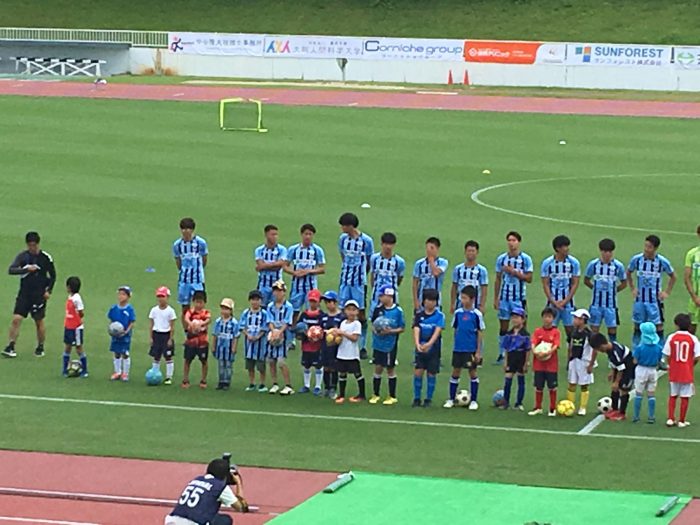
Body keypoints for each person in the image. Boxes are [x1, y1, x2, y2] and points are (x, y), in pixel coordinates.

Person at [3, 231, 56, 358]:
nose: (32, 248)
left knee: (38, 321)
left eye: (34, 245)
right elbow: (11, 270)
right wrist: (26, 269)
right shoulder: (23, 257)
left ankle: (40, 346)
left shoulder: (45, 258)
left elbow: (53, 276)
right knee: (16, 319)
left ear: (38, 244)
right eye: (30, 245)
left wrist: (48, 290)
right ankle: (11, 346)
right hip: (24, 293)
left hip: (38, 295)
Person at [626, 234, 676, 347]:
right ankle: (636, 349)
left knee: (658, 325)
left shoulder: (661, 261)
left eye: (649, 247)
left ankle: (660, 350)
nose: (646, 249)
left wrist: (666, 292)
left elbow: (673, 276)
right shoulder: (637, 259)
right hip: (640, 299)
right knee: (638, 325)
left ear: (655, 248)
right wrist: (633, 288)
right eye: (645, 246)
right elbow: (628, 272)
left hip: (655, 301)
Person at [165, 458, 247, 525]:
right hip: (192, 523)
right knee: (225, 520)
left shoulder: (197, 479)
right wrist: (238, 482)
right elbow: (242, 508)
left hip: (171, 521)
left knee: (214, 517)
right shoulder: (220, 486)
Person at [337, 212, 374, 359]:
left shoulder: (366, 241)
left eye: (344, 226)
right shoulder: (342, 239)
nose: (342, 228)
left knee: (360, 313)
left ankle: (362, 345)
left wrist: (362, 274)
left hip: (359, 283)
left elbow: (370, 260)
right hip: (345, 281)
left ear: (350, 226)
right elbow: (342, 255)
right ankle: (342, 339)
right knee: (343, 310)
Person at [494, 231, 533, 364]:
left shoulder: (525, 259)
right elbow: (498, 279)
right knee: (503, 327)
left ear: (519, 242)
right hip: (504, 298)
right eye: (509, 240)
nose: (511, 243)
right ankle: (502, 354)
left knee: (521, 326)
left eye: (514, 240)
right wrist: (496, 298)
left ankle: (523, 354)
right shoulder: (501, 259)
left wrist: (514, 272)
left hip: (518, 298)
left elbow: (529, 278)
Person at [444, 286, 484, 410]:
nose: (462, 300)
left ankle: (474, 400)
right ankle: (451, 399)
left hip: (470, 349)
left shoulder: (476, 314)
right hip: (458, 348)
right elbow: (456, 329)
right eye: (461, 297)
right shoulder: (458, 313)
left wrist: (478, 351)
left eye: (465, 298)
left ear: (472, 299)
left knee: (472, 372)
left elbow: (480, 333)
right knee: (455, 371)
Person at [584, 238, 627, 342]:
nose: (607, 254)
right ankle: (593, 351)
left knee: (612, 329)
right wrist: (595, 289)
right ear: (601, 251)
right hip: (596, 304)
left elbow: (624, 283)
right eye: (605, 251)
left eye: (610, 252)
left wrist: (613, 291)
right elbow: (586, 280)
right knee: (594, 329)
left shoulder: (618, 266)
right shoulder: (594, 265)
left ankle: (613, 350)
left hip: (611, 305)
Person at [369, 285, 405, 405]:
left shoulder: (398, 311)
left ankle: (392, 395)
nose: (380, 298)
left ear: (389, 296)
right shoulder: (377, 309)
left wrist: (390, 331)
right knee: (378, 367)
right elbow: (373, 324)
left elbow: (402, 328)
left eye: (382, 295)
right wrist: (376, 331)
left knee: (390, 369)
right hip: (378, 344)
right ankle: (376, 394)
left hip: (390, 345)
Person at [663, 313, 700, 428]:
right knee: (685, 396)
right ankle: (682, 420)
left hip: (674, 371)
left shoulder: (671, 337)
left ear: (676, 325)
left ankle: (670, 418)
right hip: (686, 372)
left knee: (673, 395)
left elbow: (667, 354)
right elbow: (697, 356)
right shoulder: (693, 339)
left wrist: (671, 364)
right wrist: (690, 365)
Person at [540, 235, 580, 341]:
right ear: (557, 248)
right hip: (552, 304)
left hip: (568, 304)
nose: (567, 249)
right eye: (564, 246)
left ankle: (571, 351)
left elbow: (575, 283)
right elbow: (545, 284)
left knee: (571, 332)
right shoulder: (547, 263)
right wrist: (553, 301)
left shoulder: (574, 263)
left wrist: (565, 301)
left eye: (567, 246)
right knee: (549, 331)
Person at [284, 224, 325, 324]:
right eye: (306, 234)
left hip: (311, 287)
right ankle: (292, 331)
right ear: (301, 234)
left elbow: (322, 269)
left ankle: (311, 330)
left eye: (310, 234)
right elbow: (285, 266)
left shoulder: (317, 250)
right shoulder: (293, 249)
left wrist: (308, 271)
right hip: (296, 287)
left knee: (312, 310)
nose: (308, 236)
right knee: (294, 311)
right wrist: (294, 272)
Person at [590, 333, 636, 421]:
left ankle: (622, 413)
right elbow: (614, 362)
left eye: (600, 349)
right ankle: (614, 410)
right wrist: (612, 372)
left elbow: (621, 368)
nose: (600, 351)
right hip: (619, 368)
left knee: (623, 389)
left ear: (602, 344)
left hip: (628, 369)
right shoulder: (609, 349)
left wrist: (617, 382)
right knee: (614, 388)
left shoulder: (615, 352)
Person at [411, 289, 445, 408]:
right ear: (424, 301)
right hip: (421, 349)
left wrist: (429, 344)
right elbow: (416, 329)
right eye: (428, 300)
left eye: (433, 301)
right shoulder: (419, 315)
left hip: (434, 350)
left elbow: (437, 331)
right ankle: (417, 398)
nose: (430, 303)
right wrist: (417, 344)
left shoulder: (439, 316)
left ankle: (428, 399)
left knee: (431, 374)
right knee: (418, 372)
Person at [173, 218, 208, 330]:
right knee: (185, 307)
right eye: (183, 229)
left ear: (192, 230)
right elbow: (178, 262)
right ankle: (187, 332)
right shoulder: (177, 245)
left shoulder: (200, 243)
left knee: (199, 306)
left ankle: (200, 330)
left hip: (198, 280)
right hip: (184, 281)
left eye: (188, 228)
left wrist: (198, 271)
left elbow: (204, 259)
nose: (185, 231)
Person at [332, 300, 366, 404]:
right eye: (349, 309)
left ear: (357, 312)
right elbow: (340, 337)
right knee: (342, 374)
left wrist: (342, 333)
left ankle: (362, 395)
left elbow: (354, 338)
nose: (351, 312)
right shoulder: (343, 323)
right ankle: (341, 395)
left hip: (352, 354)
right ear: (345, 311)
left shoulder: (357, 324)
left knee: (357, 374)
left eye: (353, 310)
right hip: (342, 353)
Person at [529, 307, 561, 416]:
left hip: (551, 365)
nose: (547, 319)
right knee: (539, 386)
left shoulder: (556, 332)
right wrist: (535, 352)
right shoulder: (538, 331)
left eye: (550, 317)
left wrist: (547, 353)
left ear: (553, 318)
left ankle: (552, 408)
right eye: (545, 317)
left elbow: (555, 346)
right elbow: (533, 343)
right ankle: (538, 407)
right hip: (539, 365)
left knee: (552, 387)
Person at [266, 280, 294, 395]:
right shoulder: (270, 306)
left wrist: (280, 332)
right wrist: (273, 331)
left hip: (284, 336)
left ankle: (288, 385)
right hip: (273, 335)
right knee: (271, 360)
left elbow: (287, 322)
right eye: (275, 291)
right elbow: (269, 320)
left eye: (279, 291)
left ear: (284, 292)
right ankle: (275, 383)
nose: (277, 293)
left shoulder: (288, 307)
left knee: (281, 362)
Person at [368, 232, 406, 317]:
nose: (388, 247)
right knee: (375, 319)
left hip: (392, 296)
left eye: (390, 244)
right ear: (382, 244)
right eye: (386, 244)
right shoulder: (374, 258)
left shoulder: (399, 261)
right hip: (376, 295)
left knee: (391, 319)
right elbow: (372, 275)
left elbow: (399, 278)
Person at [566, 309, 596, 416]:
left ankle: (583, 407)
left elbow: (595, 349)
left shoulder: (589, 334)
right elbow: (570, 346)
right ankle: (570, 405)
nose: (574, 320)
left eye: (577, 318)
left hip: (584, 362)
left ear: (583, 320)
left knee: (584, 385)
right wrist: (568, 360)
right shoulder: (573, 332)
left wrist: (591, 364)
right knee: (571, 383)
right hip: (574, 360)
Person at [632, 322, 663, 424]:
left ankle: (636, 416)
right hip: (653, 370)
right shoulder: (658, 348)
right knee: (651, 393)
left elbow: (635, 361)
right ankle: (651, 416)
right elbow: (659, 360)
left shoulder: (640, 347)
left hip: (641, 370)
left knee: (639, 393)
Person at [500, 307, 530, 410]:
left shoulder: (525, 335)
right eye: (513, 317)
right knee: (508, 380)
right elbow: (506, 349)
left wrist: (526, 363)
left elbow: (528, 350)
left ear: (523, 319)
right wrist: (505, 362)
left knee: (520, 380)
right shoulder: (509, 334)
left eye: (517, 317)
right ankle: (506, 402)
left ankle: (519, 403)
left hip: (521, 357)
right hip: (511, 358)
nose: (514, 320)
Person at [296, 289, 324, 395]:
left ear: (319, 302)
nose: (312, 303)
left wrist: (318, 336)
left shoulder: (321, 315)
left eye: (315, 301)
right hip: (306, 345)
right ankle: (306, 385)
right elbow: (298, 328)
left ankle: (318, 386)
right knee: (306, 365)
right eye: (311, 301)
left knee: (318, 365)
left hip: (317, 346)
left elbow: (323, 329)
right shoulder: (304, 315)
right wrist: (302, 334)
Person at [240, 290, 269, 393]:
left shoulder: (264, 314)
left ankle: (262, 383)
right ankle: (252, 383)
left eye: (257, 300)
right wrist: (247, 335)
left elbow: (266, 327)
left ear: (261, 301)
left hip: (260, 344)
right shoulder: (246, 313)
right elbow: (241, 326)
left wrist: (258, 336)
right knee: (250, 365)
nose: (255, 302)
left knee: (261, 365)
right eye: (253, 300)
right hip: (249, 344)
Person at [149, 286, 177, 385]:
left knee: (168, 356)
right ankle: (154, 374)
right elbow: (151, 324)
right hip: (156, 334)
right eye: (159, 296)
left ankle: (169, 377)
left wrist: (170, 338)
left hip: (166, 335)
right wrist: (151, 337)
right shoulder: (154, 310)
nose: (161, 299)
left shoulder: (170, 311)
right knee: (156, 356)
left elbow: (172, 326)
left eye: (163, 296)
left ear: (167, 297)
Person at [182, 290, 211, 389]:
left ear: (204, 303)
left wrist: (201, 323)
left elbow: (208, 319)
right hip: (191, 342)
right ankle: (185, 380)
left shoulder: (206, 313)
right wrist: (191, 324)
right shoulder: (190, 312)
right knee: (187, 360)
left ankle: (203, 380)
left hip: (202, 342)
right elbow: (186, 318)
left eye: (201, 302)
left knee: (204, 361)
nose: (198, 305)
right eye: (197, 302)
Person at [451, 240, 488, 314]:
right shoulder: (458, 269)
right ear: (465, 252)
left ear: (477, 252)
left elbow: (484, 288)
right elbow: (454, 286)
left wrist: (482, 305)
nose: (471, 253)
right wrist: (452, 303)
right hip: (460, 304)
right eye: (469, 251)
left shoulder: (482, 270)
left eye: (473, 251)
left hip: (476, 304)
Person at [107, 286, 136, 382]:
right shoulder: (114, 308)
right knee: (116, 352)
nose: (120, 296)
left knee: (125, 353)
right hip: (115, 335)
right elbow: (111, 320)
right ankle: (117, 371)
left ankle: (125, 373)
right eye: (119, 294)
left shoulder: (129, 309)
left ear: (128, 296)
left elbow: (132, 322)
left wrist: (127, 331)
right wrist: (111, 329)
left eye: (123, 294)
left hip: (125, 336)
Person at [412, 237, 449, 311]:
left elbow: (436, 273)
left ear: (437, 249)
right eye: (427, 248)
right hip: (421, 300)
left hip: (436, 300)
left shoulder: (443, 262)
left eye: (432, 248)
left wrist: (431, 260)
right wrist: (416, 301)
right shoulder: (419, 263)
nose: (429, 250)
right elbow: (415, 283)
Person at [255, 224, 288, 306]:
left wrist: (264, 266)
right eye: (272, 234)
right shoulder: (259, 250)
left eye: (276, 234)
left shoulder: (282, 249)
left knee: (276, 306)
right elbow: (260, 265)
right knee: (262, 307)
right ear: (266, 235)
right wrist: (274, 264)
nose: (275, 237)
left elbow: (280, 264)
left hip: (277, 285)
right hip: (263, 284)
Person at [212, 298, 240, 391]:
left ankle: (227, 381)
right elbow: (215, 334)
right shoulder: (218, 321)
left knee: (228, 365)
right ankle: (221, 381)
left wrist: (234, 347)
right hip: (220, 347)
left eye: (227, 309)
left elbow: (236, 336)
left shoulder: (234, 322)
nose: (224, 311)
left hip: (229, 347)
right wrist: (213, 346)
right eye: (223, 309)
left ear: (231, 310)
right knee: (220, 365)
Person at [62, 276, 87, 377]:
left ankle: (85, 370)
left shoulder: (77, 298)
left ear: (69, 287)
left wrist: (76, 318)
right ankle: (64, 370)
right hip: (68, 326)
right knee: (67, 347)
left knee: (78, 347)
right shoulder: (70, 297)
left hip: (76, 327)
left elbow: (81, 312)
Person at [320, 290, 343, 398]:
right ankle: (326, 387)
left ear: (335, 302)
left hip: (336, 347)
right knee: (326, 367)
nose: (327, 304)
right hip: (325, 346)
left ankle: (333, 388)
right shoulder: (323, 316)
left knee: (334, 367)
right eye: (326, 302)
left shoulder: (341, 317)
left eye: (329, 301)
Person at [683, 225, 700, 334]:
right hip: (695, 300)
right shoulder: (692, 254)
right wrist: (695, 297)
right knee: (691, 329)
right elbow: (687, 278)